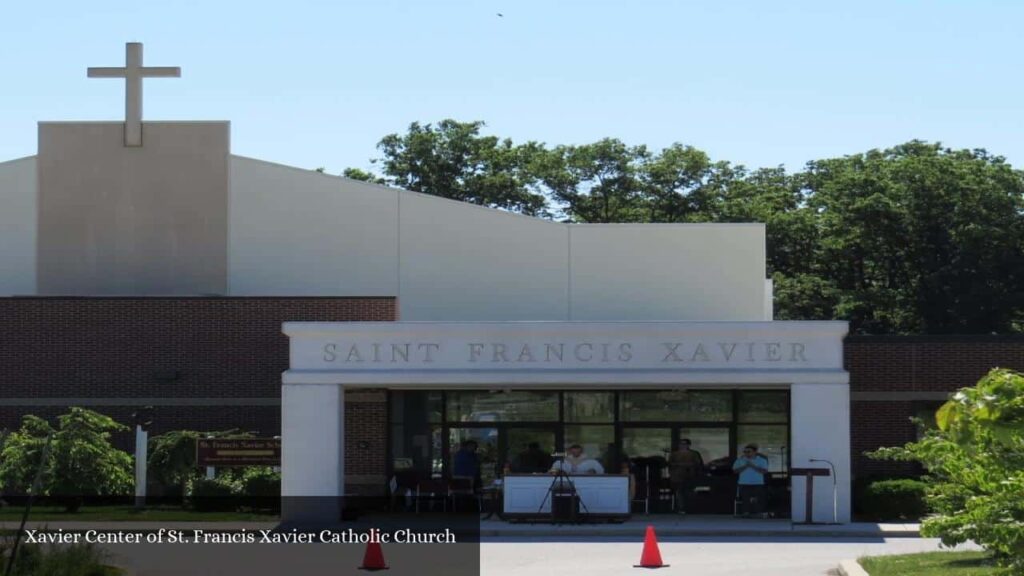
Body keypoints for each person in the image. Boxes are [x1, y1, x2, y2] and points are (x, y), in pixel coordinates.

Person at [668, 438, 704, 515]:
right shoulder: (674, 454)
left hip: (690, 475)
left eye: (684, 444)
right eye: (681, 444)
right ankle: (681, 508)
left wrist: (689, 466)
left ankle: (691, 508)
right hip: (677, 476)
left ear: (688, 445)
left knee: (690, 492)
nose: (682, 445)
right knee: (679, 492)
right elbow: (670, 464)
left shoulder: (694, 454)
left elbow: (698, 464)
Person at [733, 443, 770, 518]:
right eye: (745, 452)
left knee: (758, 498)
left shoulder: (762, 460)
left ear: (754, 452)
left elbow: (764, 471)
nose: (747, 453)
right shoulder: (740, 460)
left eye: (749, 451)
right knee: (745, 498)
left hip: (757, 483)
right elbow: (735, 471)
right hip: (744, 483)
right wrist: (746, 466)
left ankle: (758, 513)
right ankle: (745, 513)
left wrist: (753, 466)